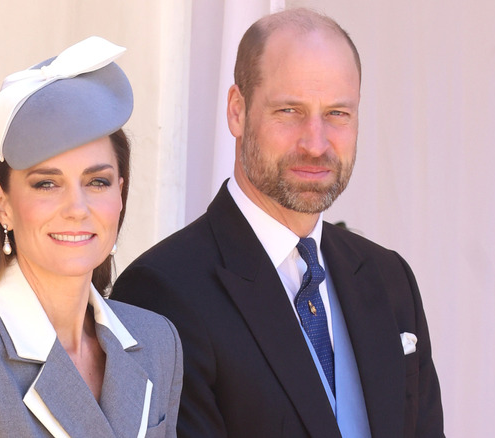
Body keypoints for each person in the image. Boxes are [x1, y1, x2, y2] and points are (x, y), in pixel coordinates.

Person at [111, 9, 443, 438]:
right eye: (290, 111)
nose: (316, 143)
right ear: (237, 111)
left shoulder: (389, 278)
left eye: (338, 114)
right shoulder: (161, 292)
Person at [0, 36, 182, 438]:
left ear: (121, 195)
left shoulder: (158, 342)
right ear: (1, 203)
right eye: (47, 184)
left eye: (97, 181)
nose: (77, 207)